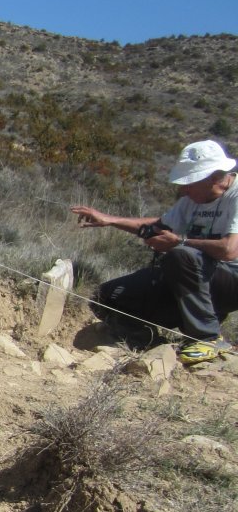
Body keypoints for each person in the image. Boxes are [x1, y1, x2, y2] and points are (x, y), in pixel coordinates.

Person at [71, 139, 238, 364]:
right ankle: (148, 340)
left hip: (230, 280)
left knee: (181, 255)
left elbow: (229, 250)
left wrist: (179, 242)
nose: (184, 189)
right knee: (107, 296)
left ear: (215, 177)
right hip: (191, 276)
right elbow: (159, 226)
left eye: (190, 183)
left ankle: (207, 337)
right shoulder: (190, 201)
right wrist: (110, 220)